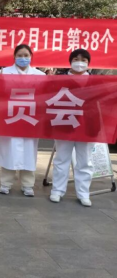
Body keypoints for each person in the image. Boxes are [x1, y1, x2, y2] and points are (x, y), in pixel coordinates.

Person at [0, 44, 45, 197]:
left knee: (29, 152)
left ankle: (28, 185)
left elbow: (44, 98)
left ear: (31, 57)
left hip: (30, 119)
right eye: (19, 55)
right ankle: (5, 183)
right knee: (8, 151)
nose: (23, 58)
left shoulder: (40, 75)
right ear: (14, 57)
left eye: (26, 55)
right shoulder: (3, 73)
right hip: (10, 118)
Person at [50, 48, 94, 207]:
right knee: (62, 159)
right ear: (70, 62)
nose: (79, 63)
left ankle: (83, 193)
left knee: (85, 161)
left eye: (83, 60)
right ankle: (57, 190)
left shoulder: (95, 81)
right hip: (64, 124)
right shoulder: (60, 80)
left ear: (88, 63)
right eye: (76, 59)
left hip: (87, 127)